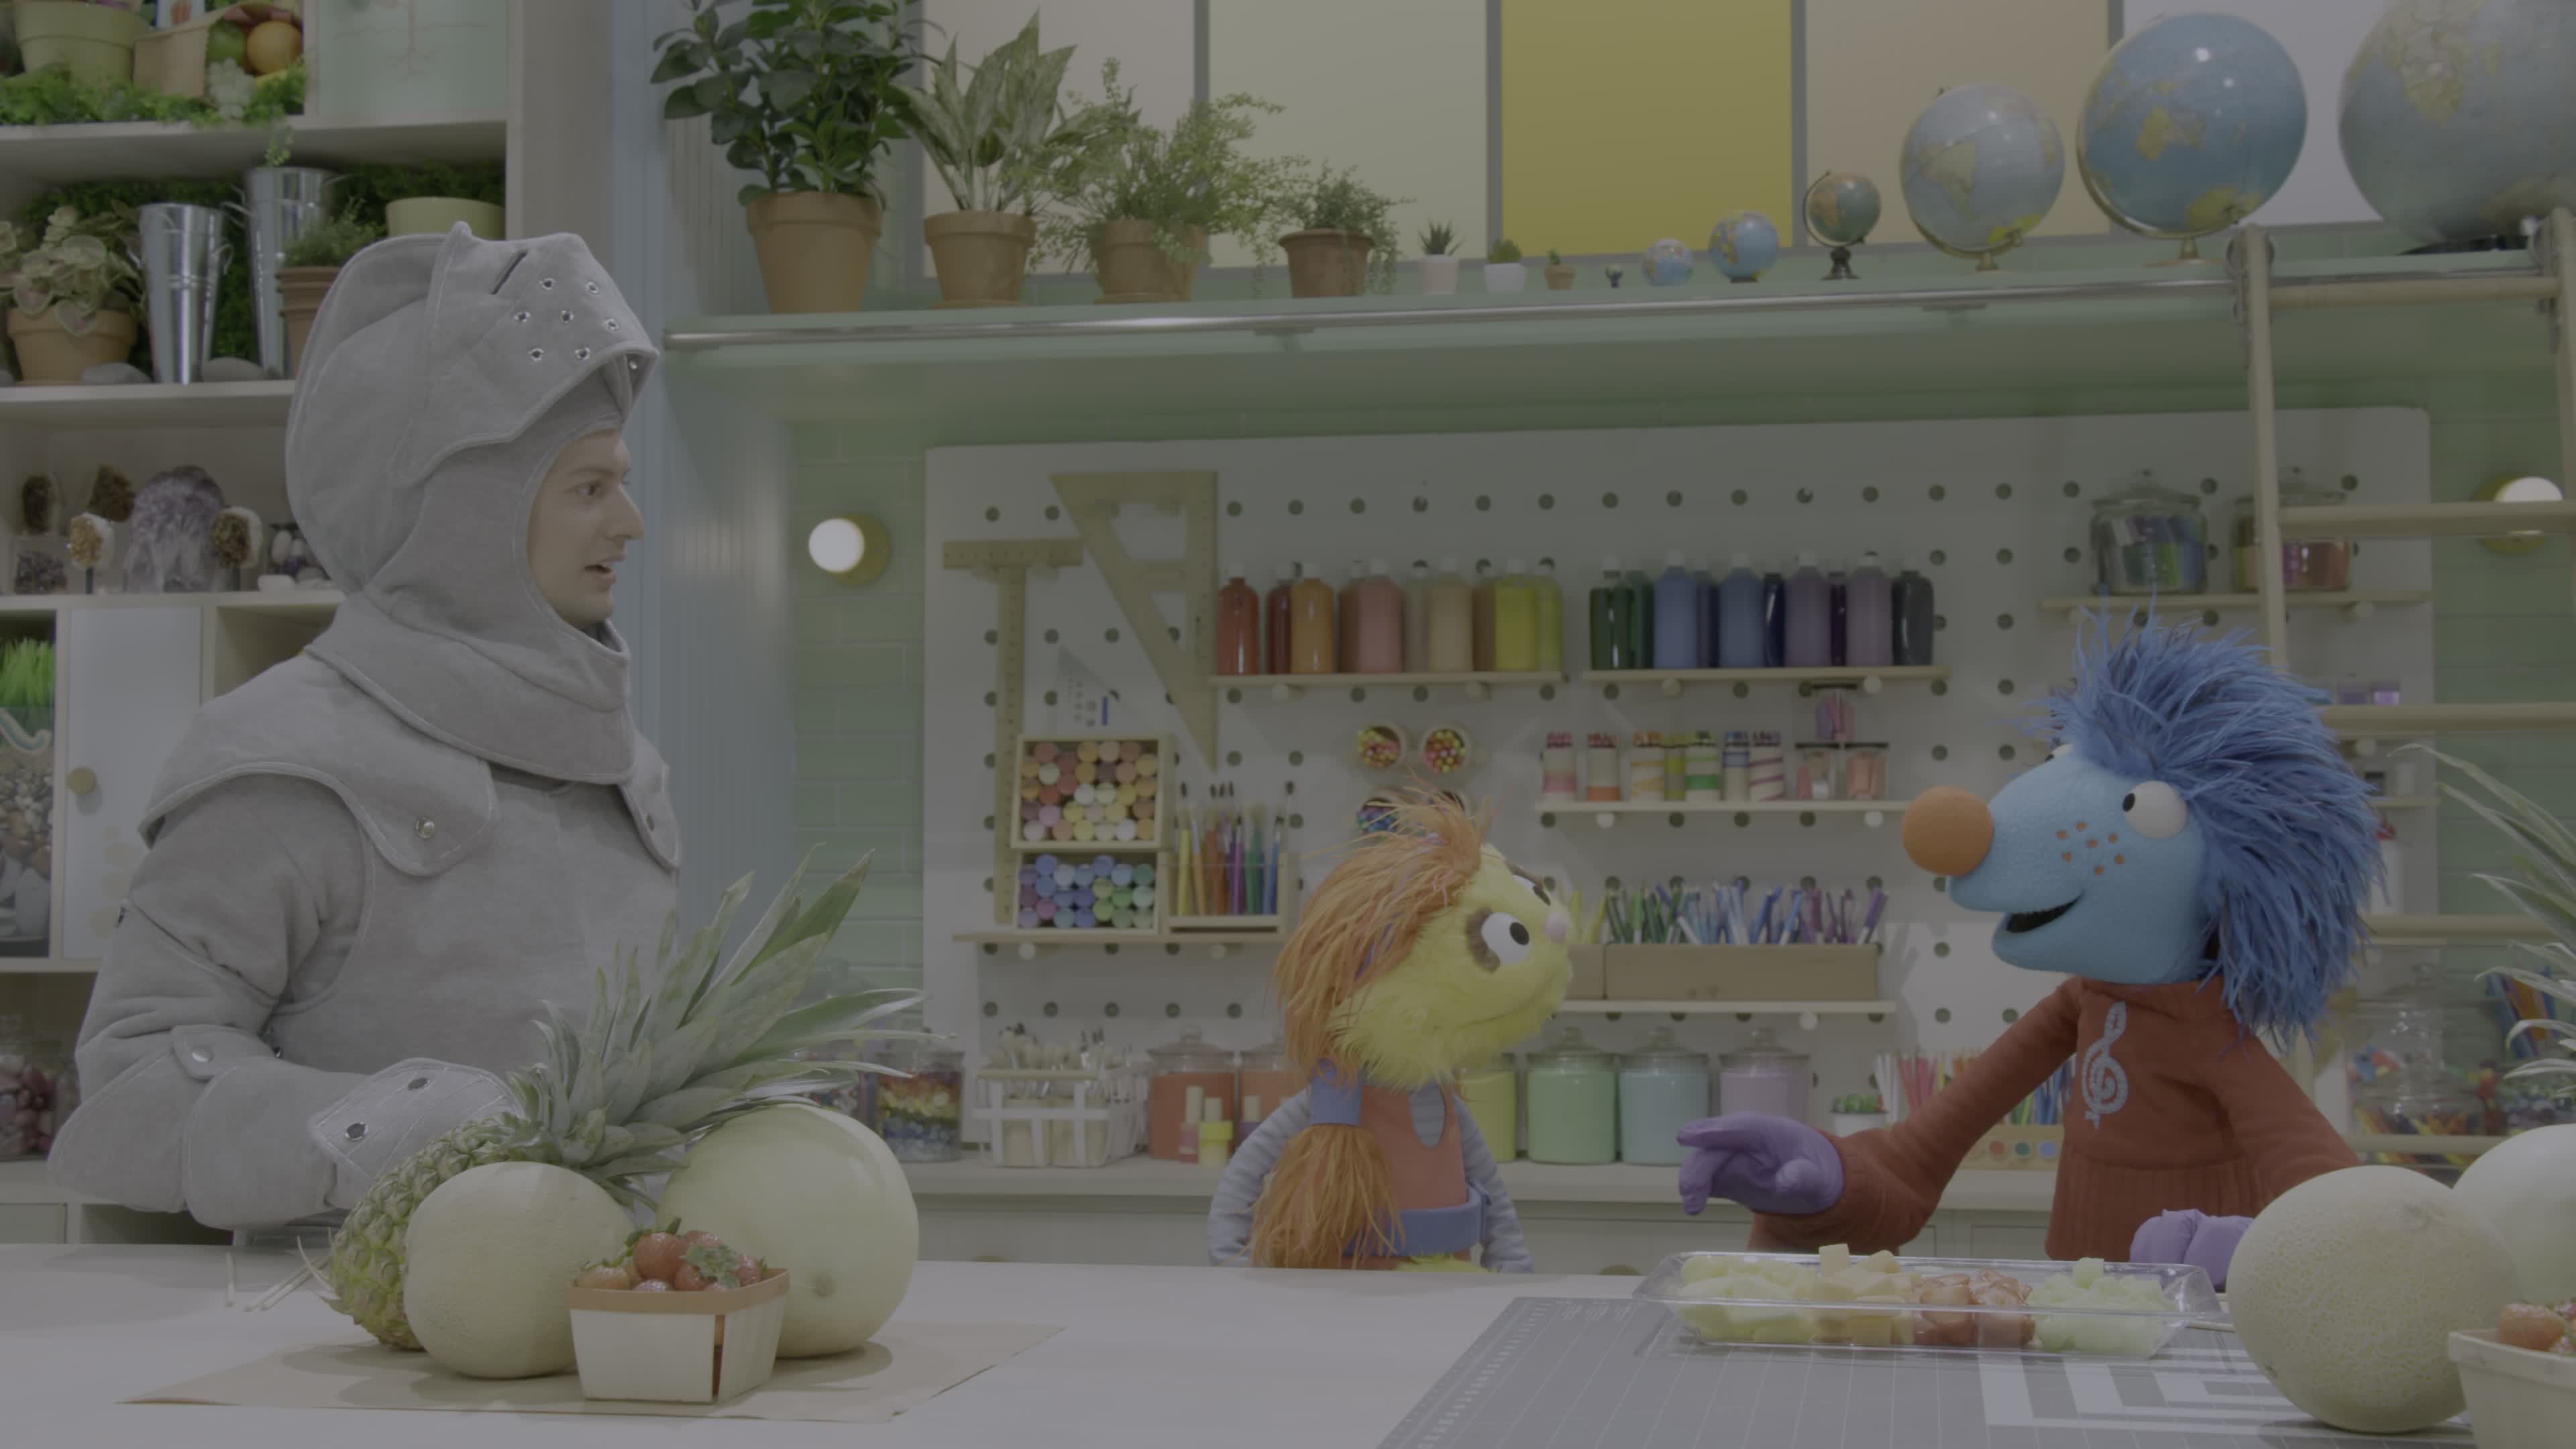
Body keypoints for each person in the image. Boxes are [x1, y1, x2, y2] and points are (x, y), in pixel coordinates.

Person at [50, 225, 681, 1230]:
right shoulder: (282, 759)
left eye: (621, 481)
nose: (630, 522)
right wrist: (380, 1128)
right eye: (589, 488)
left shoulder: (625, 776)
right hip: (314, 1320)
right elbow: (133, 1091)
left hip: (583, 1307)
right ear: (467, 510)